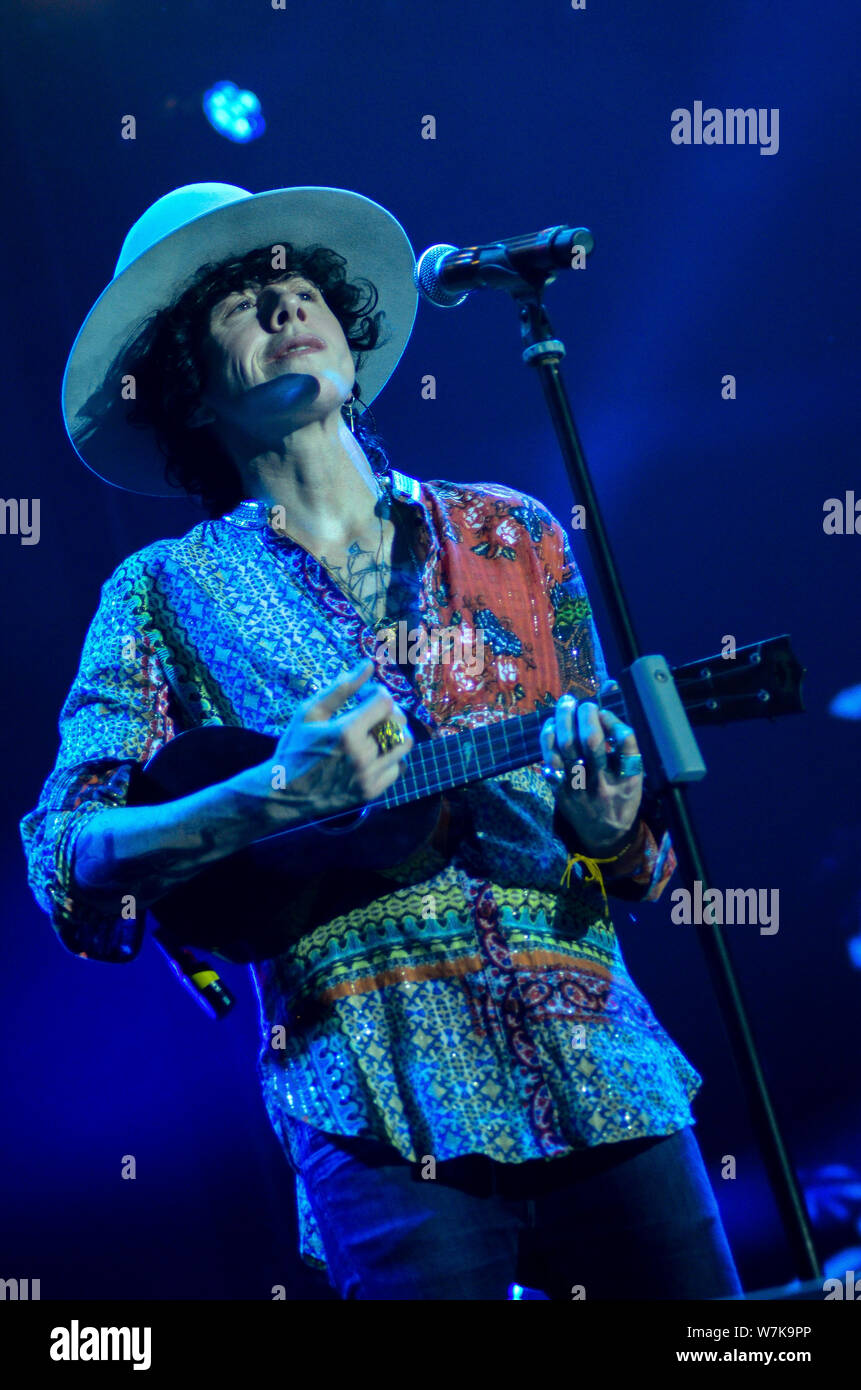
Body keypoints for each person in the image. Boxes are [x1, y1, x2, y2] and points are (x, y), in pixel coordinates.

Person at [21, 183, 741, 1301]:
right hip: (372, 1102)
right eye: (239, 303)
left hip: (606, 1068)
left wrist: (608, 827)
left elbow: (638, 848)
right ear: (187, 386)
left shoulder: (515, 532)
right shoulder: (160, 592)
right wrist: (265, 796)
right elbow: (65, 855)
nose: (282, 305)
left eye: (299, 285)